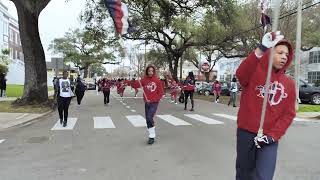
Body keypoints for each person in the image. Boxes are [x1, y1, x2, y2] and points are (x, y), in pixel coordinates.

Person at [235, 31, 296, 180]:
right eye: (280, 52)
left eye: (286, 55)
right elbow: (241, 74)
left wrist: (272, 136)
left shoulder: (289, 83)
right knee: (244, 174)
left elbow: (289, 114)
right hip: (246, 133)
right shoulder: (254, 72)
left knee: (264, 176)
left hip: (269, 138)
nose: (283, 56)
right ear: (270, 53)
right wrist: (261, 48)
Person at [141, 65, 164, 145]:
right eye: (149, 71)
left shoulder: (157, 81)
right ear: (147, 71)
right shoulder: (144, 80)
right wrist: (132, 81)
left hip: (154, 102)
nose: (150, 72)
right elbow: (137, 85)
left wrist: (154, 99)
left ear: (154, 72)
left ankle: (152, 136)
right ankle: (151, 134)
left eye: (152, 71)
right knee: (148, 120)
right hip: (147, 103)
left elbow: (161, 93)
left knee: (149, 117)